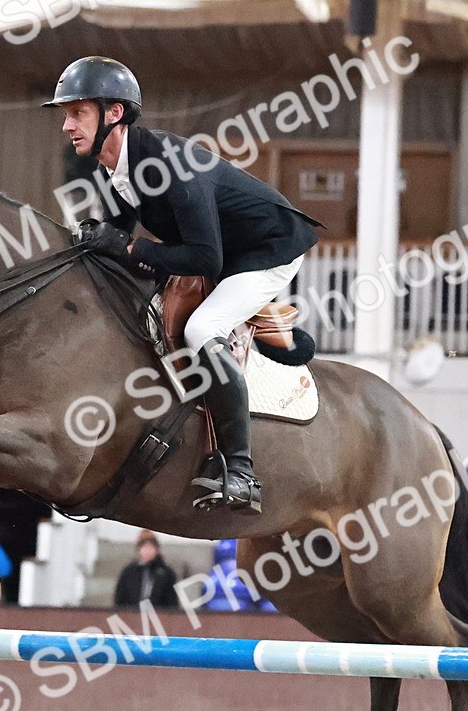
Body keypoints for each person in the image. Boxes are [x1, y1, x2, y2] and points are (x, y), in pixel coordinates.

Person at [44, 56, 322, 515]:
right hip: (224, 248)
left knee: (201, 329)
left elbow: (203, 258)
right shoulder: (118, 166)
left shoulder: (170, 165)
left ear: (113, 113)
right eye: (66, 114)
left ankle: (242, 471)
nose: (66, 124)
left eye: (77, 113)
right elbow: (117, 232)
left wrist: (131, 250)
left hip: (267, 248)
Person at [113, 531, 179, 609]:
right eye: (144, 547)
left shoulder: (166, 573)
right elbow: (119, 599)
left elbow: (171, 602)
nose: (147, 551)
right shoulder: (129, 572)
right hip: (131, 616)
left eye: (151, 547)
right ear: (139, 549)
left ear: (157, 549)